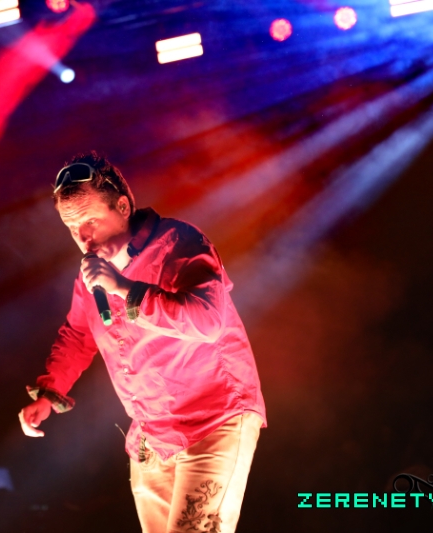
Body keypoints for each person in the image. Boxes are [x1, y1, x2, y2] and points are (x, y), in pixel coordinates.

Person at [18, 151, 266, 533]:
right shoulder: (89, 276)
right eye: (71, 227)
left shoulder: (179, 242)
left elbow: (208, 320)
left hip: (214, 418)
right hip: (152, 433)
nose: (82, 237)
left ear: (122, 206)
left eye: (90, 221)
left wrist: (125, 288)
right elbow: (79, 334)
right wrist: (50, 392)